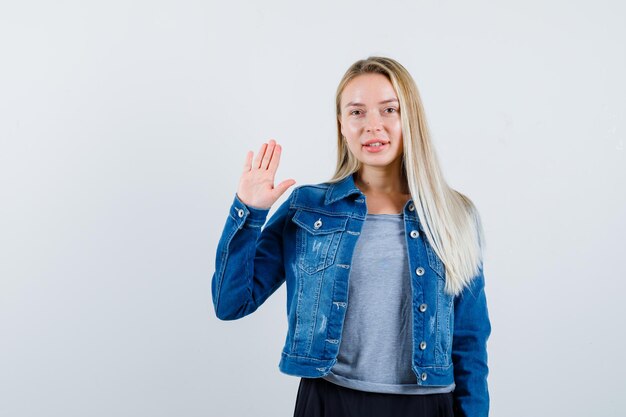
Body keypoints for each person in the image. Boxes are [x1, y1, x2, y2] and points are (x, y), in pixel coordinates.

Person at [211, 56, 491, 417]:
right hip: (330, 400)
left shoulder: (454, 216)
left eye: (389, 109)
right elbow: (231, 303)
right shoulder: (308, 209)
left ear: (410, 118)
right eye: (357, 112)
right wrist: (249, 212)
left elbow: (469, 343)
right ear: (342, 125)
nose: (372, 125)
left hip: (426, 405)